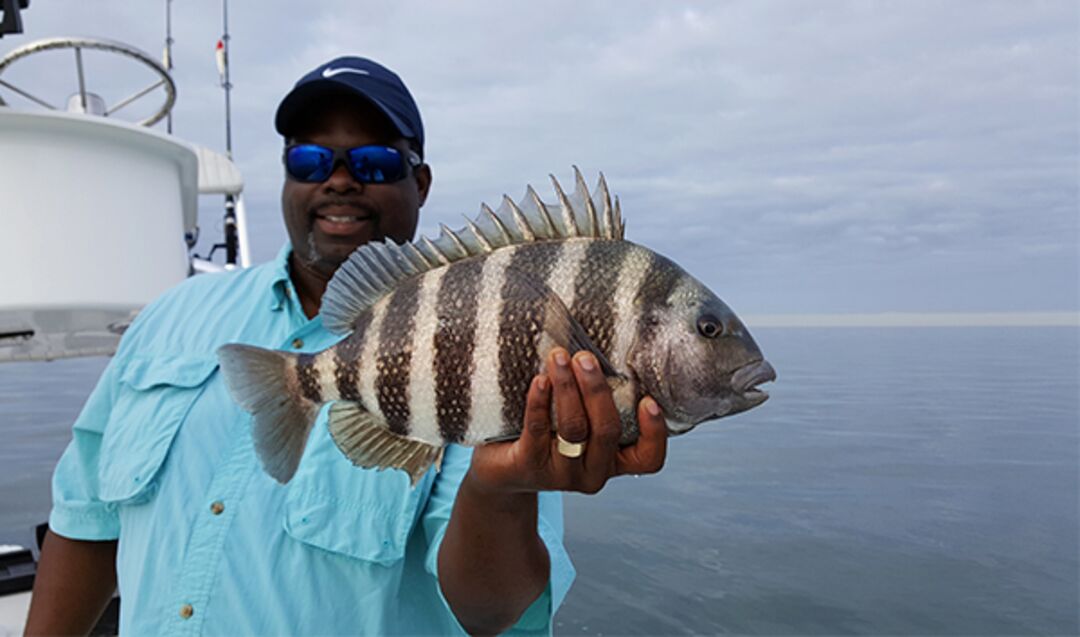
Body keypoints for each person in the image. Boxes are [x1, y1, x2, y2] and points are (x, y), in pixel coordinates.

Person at [24, 56, 668, 636]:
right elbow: (87, 517)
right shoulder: (169, 317)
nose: (338, 181)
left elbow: (491, 614)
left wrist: (500, 492)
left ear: (420, 182)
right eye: (310, 160)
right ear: (286, 175)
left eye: (374, 164)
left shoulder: (494, 337)